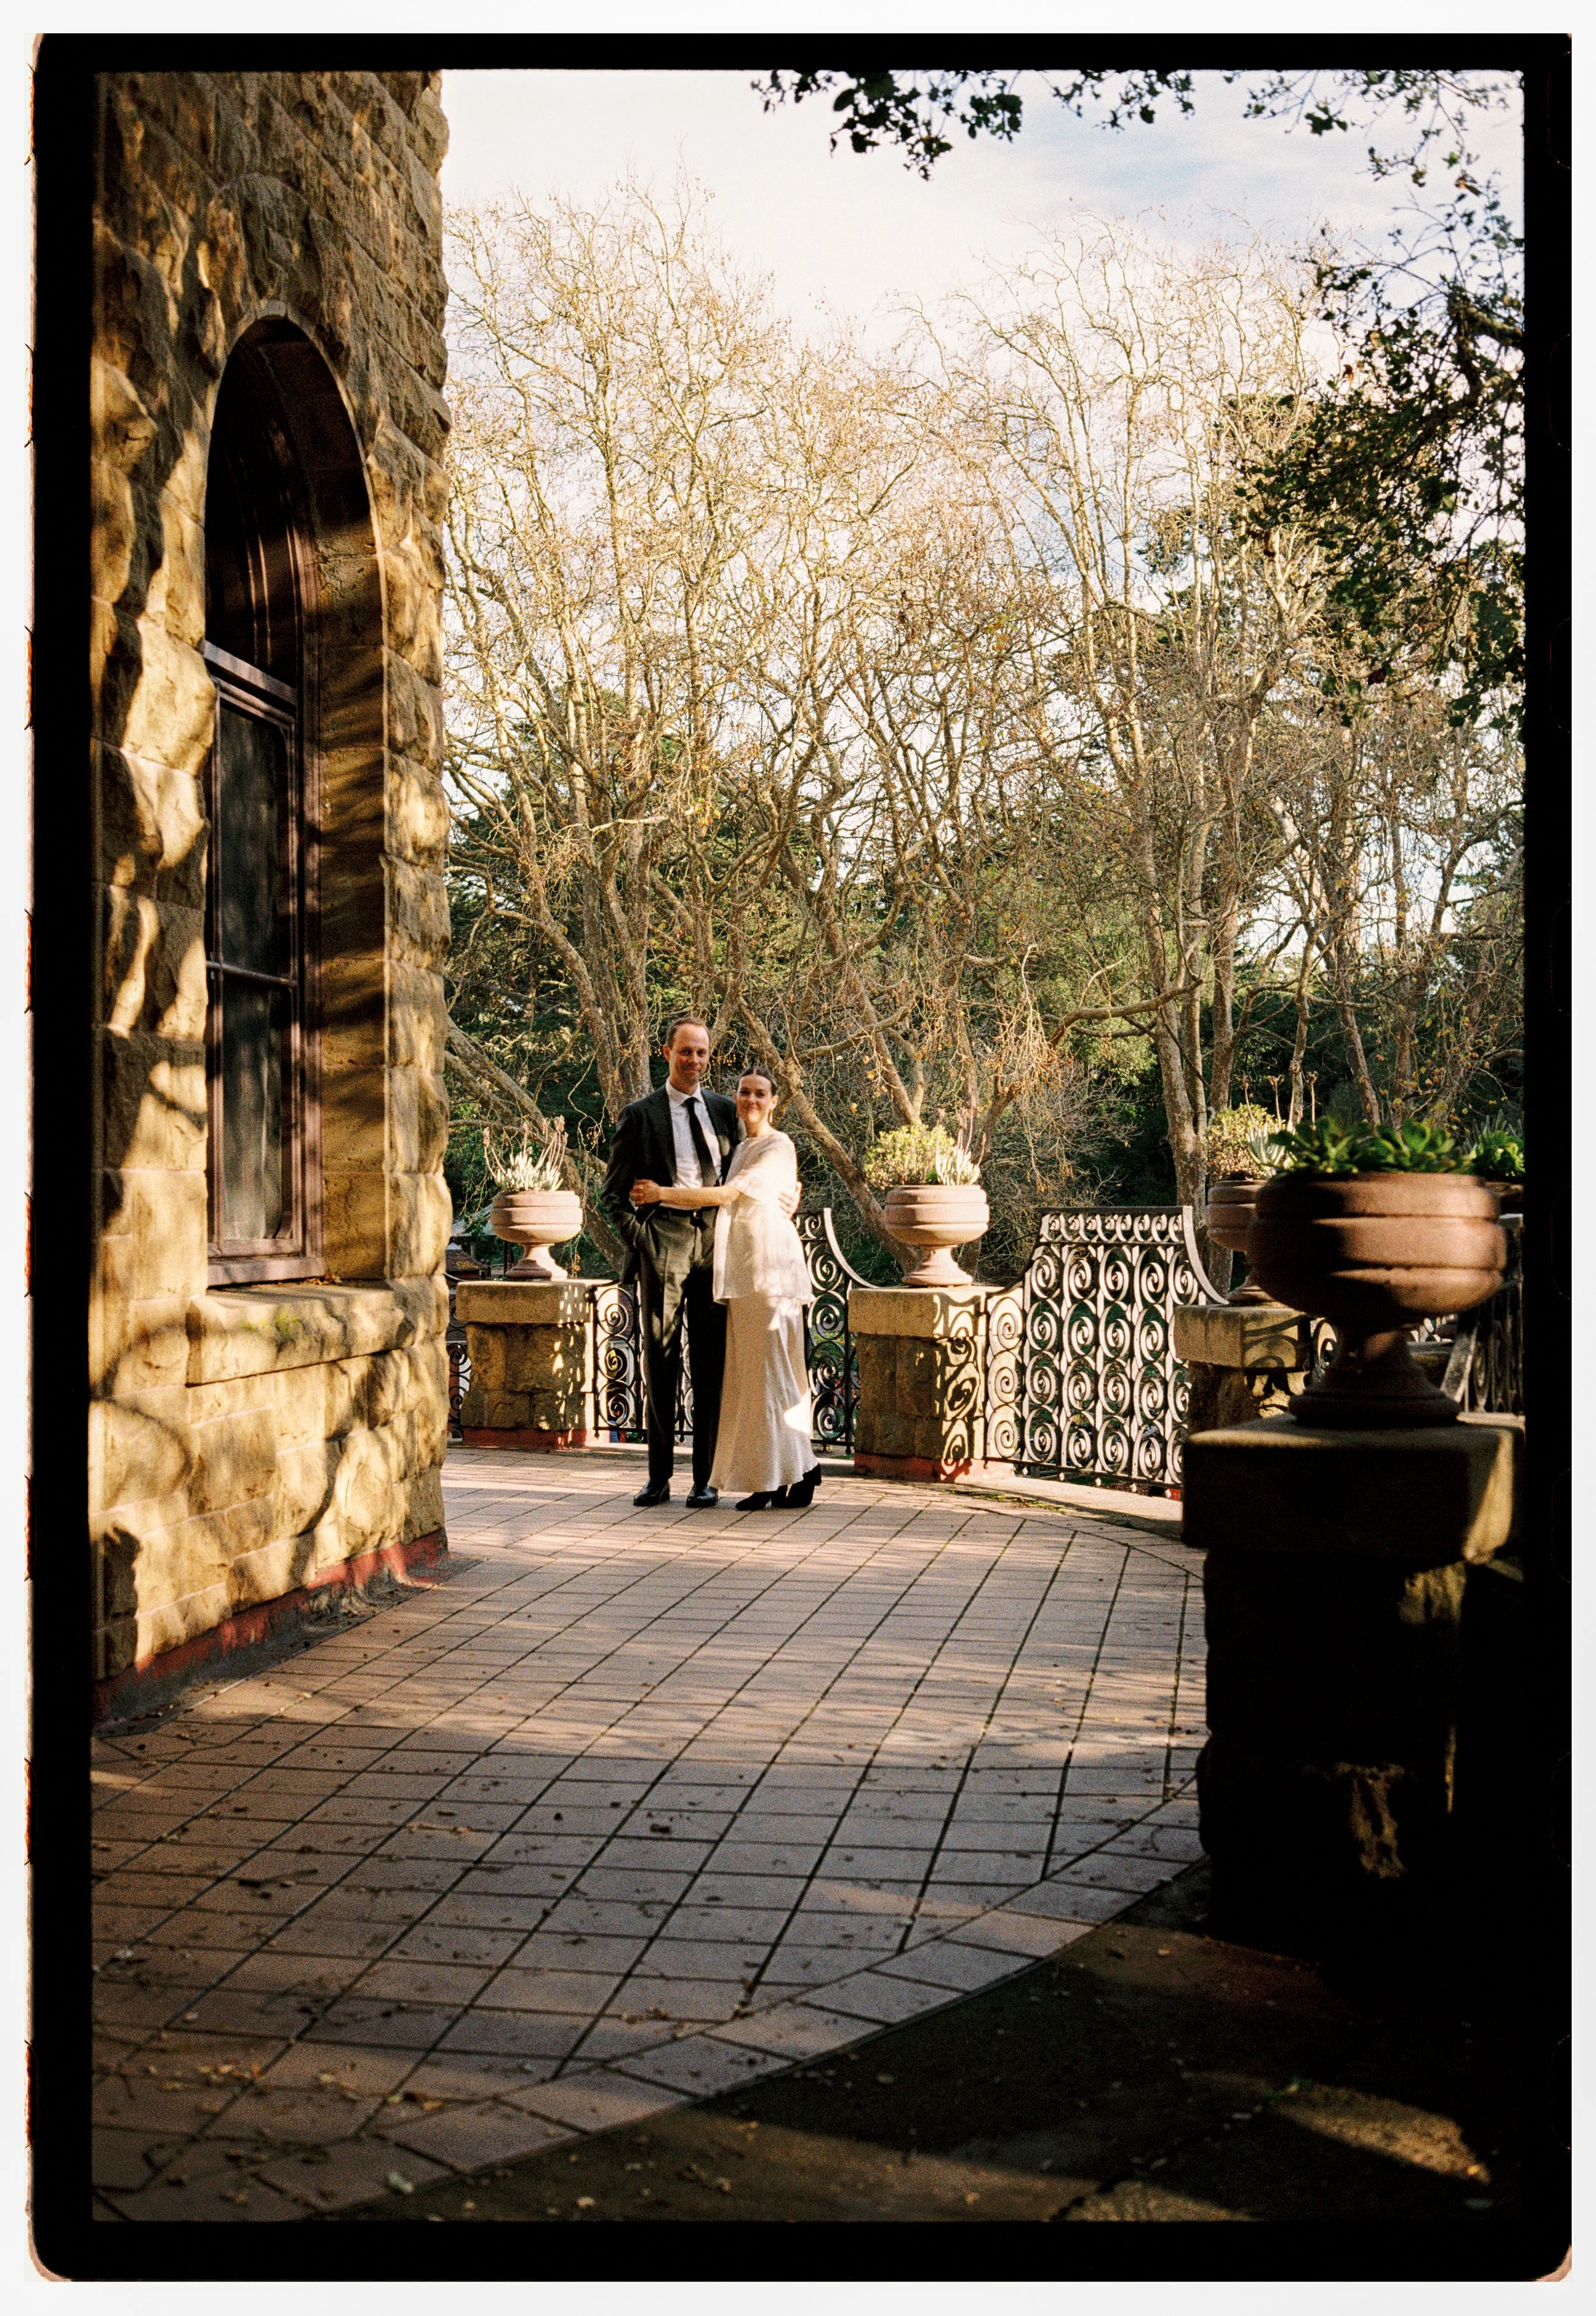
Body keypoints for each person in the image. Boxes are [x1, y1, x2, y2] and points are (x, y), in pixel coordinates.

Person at [600, 1018, 797, 1508]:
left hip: (718, 1248)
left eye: (702, 1053)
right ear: (667, 1052)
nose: (693, 1061)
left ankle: (706, 1478)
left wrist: (788, 1196)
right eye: (685, 1052)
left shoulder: (725, 1111)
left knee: (712, 1365)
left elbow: (756, 1164)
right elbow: (612, 1196)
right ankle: (659, 1476)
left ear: (710, 1058)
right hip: (662, 1244)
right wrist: (644, 1240)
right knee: (661, 1360)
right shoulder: (640, 1115)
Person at [629, 1065, 822, 1511]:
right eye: (744, 1092)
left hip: (770, 1270)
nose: (751, 1100)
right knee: (755, 1381)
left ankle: (804, 1472)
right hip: (740, 1274)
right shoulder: (741, 1145)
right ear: (736, 1096)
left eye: (761, 1094)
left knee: (776, 1376)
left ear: (775, 1101)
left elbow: (726, 1196)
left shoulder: (779, 1144)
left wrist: (660, 1193)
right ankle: (772, 1478)